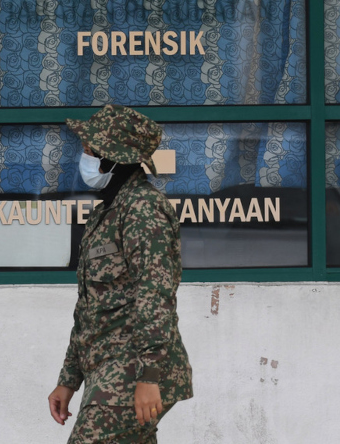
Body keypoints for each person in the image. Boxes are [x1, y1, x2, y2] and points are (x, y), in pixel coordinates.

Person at [47, 104, 193, 443]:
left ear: (113, 157)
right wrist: (69, 379)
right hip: (108, 367)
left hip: (136, 369)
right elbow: (91, 309)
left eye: (90, 149)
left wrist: (150, 376)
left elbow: (155, 293)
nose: (83, 154)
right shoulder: (107, 212)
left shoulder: (143, 208)